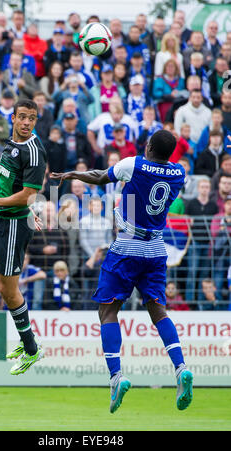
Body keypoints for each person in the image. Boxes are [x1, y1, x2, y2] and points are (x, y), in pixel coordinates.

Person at [51, 129, 193, 413]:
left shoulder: (134, 163)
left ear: (149, 146)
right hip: (155, 249)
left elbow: (101, 176)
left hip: (127, 246)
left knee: (108, 310)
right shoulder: (179, 174)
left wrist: (73, 175)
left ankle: (116, 376)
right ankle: (180, 368)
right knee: (158, 310)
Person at [0, 99, 47, 376]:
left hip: (14, 223)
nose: (27, 123)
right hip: (3, 220)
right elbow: (18, 188)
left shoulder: (33, 149)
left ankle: (31, 348)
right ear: (13, 118)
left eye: (32, 118)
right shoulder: (11, 144)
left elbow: (29, 193)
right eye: (23, 117)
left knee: (8, 288)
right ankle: (25, 336)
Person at [185, 178, 218, 303]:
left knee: (204, 275)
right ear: (198, 188)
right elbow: (186, 222)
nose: (204, 189)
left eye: (207, 187)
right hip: (194, 242)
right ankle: (189, 301)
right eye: (202, 187)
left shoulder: (213, 206)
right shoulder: (192, 204)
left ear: (210, 189)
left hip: (208, 243)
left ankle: (200, 301)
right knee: (192, 272)